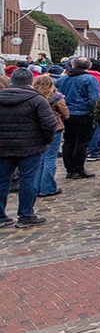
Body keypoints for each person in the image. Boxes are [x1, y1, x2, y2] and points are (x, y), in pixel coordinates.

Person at [0, 67, 58, 228]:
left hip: (3, 147)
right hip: (30, 147)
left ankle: (0, 216)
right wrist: (45, 141)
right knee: (28, 181)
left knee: (2, 180)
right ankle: (25, 215)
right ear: (30, 81)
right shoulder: (37, 100)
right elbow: (49, 124)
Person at [58, 58, 100, 180]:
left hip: (66, 114)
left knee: (68, 141)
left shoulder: (62, 79)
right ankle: (78, 169)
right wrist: (94, 112)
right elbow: (94, 99)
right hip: (83, 113)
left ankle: (69, 169)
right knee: (81, 143)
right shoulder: (90, 79)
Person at [32, 75, 68, 198]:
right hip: (54, 128)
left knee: (39, 159)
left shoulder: (33, 96)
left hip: (36, 130)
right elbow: (65, 114)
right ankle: (47, 187)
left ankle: (36, 187)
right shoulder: (56, 97)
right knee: (50, 159)